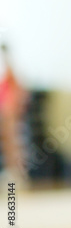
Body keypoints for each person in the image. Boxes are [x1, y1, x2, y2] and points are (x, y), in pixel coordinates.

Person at [0, 43, 26, 181]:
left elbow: (20, 92)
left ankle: (17, 172)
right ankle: (12, 171)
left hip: (10, 112)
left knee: (13, 144)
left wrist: (14, 109)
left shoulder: (11, 72)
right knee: (8, 144)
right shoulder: (6, 74)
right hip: (5, 111)